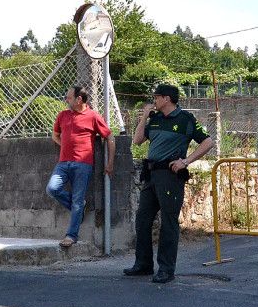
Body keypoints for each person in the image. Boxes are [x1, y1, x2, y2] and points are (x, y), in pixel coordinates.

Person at [124, 83, 214, 283]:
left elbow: (208, 142)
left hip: (170, 176)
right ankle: (143, 265)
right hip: (151, 174)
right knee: (143, 219)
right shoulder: (155, 119)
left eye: (156, 97)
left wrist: (186, 161)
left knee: (169, 223)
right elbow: (138, 140)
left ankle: (166, 269)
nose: (153, 101)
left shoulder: (185, 119)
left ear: (166, 99)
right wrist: (144, 117)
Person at [47, 86, 114, 247]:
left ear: (79, 100)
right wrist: (63, 144)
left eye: (69, 97)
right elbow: (55, 135)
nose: (66, 100)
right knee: (52, 189)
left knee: (77, 200)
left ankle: (71, 236)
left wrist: (110, 163)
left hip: (83, 164)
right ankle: (79, 207)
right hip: (63, 163)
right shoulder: (63, 115)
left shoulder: (93, 116)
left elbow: (110, 137)